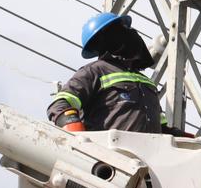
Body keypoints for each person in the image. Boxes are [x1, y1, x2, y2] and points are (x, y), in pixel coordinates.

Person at [47, 12, 181, 135]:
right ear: (104, 39)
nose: (129, 34)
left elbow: (160, 125)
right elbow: (60, 104)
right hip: (111, 154)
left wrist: (179, 136)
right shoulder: (94, 71)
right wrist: (77, 135)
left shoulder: (145, 81)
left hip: (151, 157)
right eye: (120, 30)